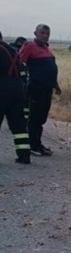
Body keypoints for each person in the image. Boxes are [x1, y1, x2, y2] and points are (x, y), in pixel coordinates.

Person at [19, 24, 60, 156]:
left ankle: (38, 143)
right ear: (35, 33)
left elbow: (51, 70)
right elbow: (19, 62)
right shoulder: (30, 46)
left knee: (41, 119)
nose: (45, 36)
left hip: (47, 89)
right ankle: (32, 145)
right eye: (42, 33)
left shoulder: (47, 49)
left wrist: (56, 85)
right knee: (35, 118)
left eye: (47, 33)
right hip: (36, 88)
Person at [0, 31, 31, 164]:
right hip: (17, 88)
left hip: (2, 87)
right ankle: (24, 155)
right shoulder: (12, 50)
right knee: (19, 125)